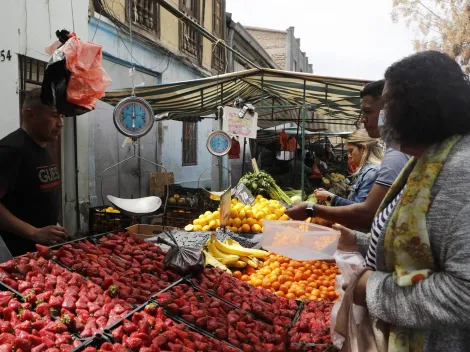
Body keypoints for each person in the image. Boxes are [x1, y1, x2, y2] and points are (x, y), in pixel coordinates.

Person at [335, 51, 470, 352]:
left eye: (388, 102)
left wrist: (373, 290)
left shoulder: (462, 174)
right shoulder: (425, 162)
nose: (382, 116)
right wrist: (357, 242)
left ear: (417, 105)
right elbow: (415, 243)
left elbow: (464, 292)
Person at [286, 80, 410, 230]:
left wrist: (312, 208)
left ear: (389, 110)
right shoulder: (396, 150)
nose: (363, 119)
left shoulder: (394, 155)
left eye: (368, 112)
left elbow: (366, 215)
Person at [0, 89, 68, 256]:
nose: (60, 123)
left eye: (61, 116)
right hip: (17, 257)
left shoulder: (42, 146)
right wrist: (34, 232)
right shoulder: (11, 149)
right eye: (54, 115)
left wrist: (53, 226)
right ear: (31, 115)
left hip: (43, 254)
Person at [315, 129, 383, 206]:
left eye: (351, 151)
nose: (349, 156)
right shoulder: (368, 170)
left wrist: (330, 197)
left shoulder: (371, 172)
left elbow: (358, 209)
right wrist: (328, 195)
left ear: (363, 149)